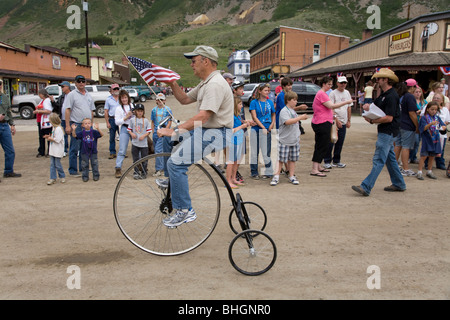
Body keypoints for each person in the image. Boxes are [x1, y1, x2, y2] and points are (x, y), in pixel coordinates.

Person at [157, 45, 234, 228]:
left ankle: (185, 210)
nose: (191, 65)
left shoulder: (214, 84)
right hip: (205, 129)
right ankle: (171, 180)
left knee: (176, 163)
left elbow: (203, 116)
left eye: (194, 61)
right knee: (170, 141)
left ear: (205, 61)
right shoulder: (206, 82)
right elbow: (184, 100)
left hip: (216, 133)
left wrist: (175, 130)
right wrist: (172, 84)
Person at [352, 68, 406, 196]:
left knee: (379, 159)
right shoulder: (385, 95)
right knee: (389, 159)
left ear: (385, 80)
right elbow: (375, 107)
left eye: (379, 79)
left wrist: (372, 121)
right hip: (387, 131)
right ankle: (399, 183)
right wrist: (368, 107)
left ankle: (366, 186)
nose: (377, 81)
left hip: (387, 131)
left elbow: (389, 118)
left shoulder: (391, 96)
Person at [310, 76, 353, 177]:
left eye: (330, 84)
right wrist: (346, 102)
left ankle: (318, 166)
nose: (330, 86)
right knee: (321, 145)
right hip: (322, 122)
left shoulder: (322, 94)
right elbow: (331, 106)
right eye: (328, 84)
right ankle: (314, 168)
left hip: (322, 122)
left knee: (322, 145)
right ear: (323, 84)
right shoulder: (322, 94)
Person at [270, 91, 308, 186]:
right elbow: (287, 122)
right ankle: (276, 176)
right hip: (284, 140)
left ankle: (291, 175)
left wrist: (297, 136)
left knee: (292, 159)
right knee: (281, 159)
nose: (296, 102)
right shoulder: (284, 111)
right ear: (288, 100)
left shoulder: (293, 111)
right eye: (294, 100)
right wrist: (300, 118)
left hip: (294, 140)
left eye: (296, 100)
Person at [64, 75, 96, 177]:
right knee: (74, 148)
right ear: (75, 83)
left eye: (83, 81)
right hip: (76, 124)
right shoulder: (72, 95)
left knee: (85, 148)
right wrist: (68, 125)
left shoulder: (88, 95)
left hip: (87, 126)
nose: (81, 83)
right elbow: (67, 110)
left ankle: (83, 168)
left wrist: (91, 125)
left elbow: (91, 111)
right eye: (79, 81)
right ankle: (73, 170)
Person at [323, 76, 353, 169]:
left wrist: (348, 120)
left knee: (340, 141)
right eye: (341, 83)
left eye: (344, 83)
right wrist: (336, 120)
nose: (343, 84)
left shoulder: (347, 93)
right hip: (334, 121)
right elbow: (331, 108)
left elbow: (349, 107)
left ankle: (337, 160)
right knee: (331, 140)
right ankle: (327, 160)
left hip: (344, 120)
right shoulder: (332, 93)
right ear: (337, 83)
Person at [249, 83, 276, 180]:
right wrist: (262, 127)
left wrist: (272, 124)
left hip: (267, 130)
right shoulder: (254, 102)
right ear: (259, 91)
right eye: (265, 90)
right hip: (256, 130)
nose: (267, 92)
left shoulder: (270, 102)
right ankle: (254, 172)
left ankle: (268, 172)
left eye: (268, 90)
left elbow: (273, 114)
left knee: (266, 152)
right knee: (254, 152)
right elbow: (254, 117)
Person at [226, 97, 253, 188]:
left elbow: (241, 122)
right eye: (240, 104)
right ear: (235, 105)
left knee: (236, 160)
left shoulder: (237, 115)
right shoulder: (230, 117)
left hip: (239, 140)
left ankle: (233, 178)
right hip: (233, 141)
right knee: (231, 161)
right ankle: (228, 181)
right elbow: (231, 130)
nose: (242, 106)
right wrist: (242, 126)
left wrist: (247, 122)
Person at [416, 101, 446, 180]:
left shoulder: (437, 117)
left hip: (435, 139)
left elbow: (443, 125)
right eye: (432, 109)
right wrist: (430, 124)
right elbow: (422, 128)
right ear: (428, 109)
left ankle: (429, 170)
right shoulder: (424, 117)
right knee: (424, 156)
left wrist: (443, 127)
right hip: (427, 139)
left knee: (432, 155)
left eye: (435, 110)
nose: (434, 111)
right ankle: (419, 171)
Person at [421, 93, 450, 170]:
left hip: (439, 133)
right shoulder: (427, 112)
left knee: (438, 150)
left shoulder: (444, 110)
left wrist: (442, 127)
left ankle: (439, 163)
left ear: (442, 100)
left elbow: (446, 122)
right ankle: (425, 166)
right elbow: (423, 121)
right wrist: (431, 124)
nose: (436, 99)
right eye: (435, 98)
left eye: (438, 98)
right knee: (427, 152)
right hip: (429, 134)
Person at [397, 79, 420, 177]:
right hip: (407, 125)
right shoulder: (410, 97)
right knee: (406, 147)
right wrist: (417, 125)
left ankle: (394, 165)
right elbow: (411, 113)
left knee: (398, 145)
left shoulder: (401, 96)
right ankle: (406, 168)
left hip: (399, 123)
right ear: (413, 87)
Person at [0, 80, 21, 180]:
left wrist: (12, 125)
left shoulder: (4, 97)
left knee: (10, 150)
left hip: (4, 126)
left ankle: (8, 171)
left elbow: (8, 112)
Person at [150, 93, 172, 176]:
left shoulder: (167, 109)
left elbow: (170, 121)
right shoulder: (153, 110)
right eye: (158, 100)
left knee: (158, 150)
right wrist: (153, 131)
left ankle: (158, 169)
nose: (160, 101)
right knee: (158, 149)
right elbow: (152, 121)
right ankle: (162, 167)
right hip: (156, 132)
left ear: (165, 100)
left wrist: (166, 130)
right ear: (156, 100)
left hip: (163, 132)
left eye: (162, 99)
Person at [114, 89, 134, 178]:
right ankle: (118, 168)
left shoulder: (132, 105)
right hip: (125, 128)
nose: (124, 99)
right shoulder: (118, 108)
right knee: (122, 149)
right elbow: (117, 122)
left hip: (133, 128)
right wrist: (126, 117)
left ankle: (139, 166)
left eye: (125, 97)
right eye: (122, 98)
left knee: (136, 148)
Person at [128, 103, 152, 179]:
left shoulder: (146, 120)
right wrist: (132, 134)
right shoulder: (132, 120)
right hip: (135, 143)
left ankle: (144, 171)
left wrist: (144, 135)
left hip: (144, 144)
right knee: (135, 159)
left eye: (141, 111)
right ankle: (136, 171)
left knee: (144, 158)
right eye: (138, 111)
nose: (140, 112)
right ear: (135, 111)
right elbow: (129, 129)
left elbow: (149, 131)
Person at [43, 113, 66, 185]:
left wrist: (50, 138)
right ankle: (52, 178)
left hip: (58, 150)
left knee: (57, 164)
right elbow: (54, 136)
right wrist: (49, 136)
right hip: (53, 150)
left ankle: (62, 176)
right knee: (52, 164)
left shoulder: (59, 129)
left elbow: (58, 139)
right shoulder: (54, 128)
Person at [409, 86, 427, 164]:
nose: (418, 93)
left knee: (418, 141)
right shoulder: (412, 101)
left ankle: (414, 157)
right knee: (415, 141)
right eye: (416, 92)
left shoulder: (424, 102)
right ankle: (409, 157)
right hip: (413, 123)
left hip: (422, 123)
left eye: (419, 92)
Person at [34, 89, 53, 158]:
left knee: (47, 135)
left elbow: (49, 111)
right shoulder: (42, 101)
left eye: (39, 94)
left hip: (46, 121)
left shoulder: (47, 101)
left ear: (42, 94)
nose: (39, 95)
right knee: (41, 136)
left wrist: (38, 111)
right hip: (41, 121)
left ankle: (49, 151)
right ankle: (41, 151)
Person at [104, 83, 121, 159]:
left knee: (122, 136)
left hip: (120, 119)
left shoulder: (122, 98)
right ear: (112, 90)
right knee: (112, 137)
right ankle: (112, 152)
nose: (116, 90)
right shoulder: (108, 99)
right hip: (112, 119)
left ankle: (122, 152)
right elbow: (106, 111)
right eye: (114, 89)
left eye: (117, 89)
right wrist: (107, 122)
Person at [57, 81, 71, 157]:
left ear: (68, 87)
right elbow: (58, 106)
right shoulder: (62, 97)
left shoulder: (72, 95)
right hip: (63, 118)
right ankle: (65, 150)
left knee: (74, 135)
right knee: (63, 135)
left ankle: (76, 150)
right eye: (61, 87)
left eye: (63, 87)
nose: (62, 88)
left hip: (72, 119)